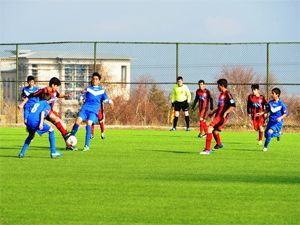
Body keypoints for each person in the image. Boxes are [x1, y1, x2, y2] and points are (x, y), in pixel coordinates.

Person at [28, 77, 74, 149]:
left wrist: (66, 95)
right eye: (56, 86)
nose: (56, 88)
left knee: (63, 125)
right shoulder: (44, 90)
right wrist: (26, 99)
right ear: (53, 85)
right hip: (43, 111)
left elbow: (58, 95)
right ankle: (66, 137)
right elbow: (34, 94)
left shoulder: (54, 92)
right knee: (56, 120)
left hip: (50, 111)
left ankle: (68, 144)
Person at [71, 72, 112, 151]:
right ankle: (69, 143)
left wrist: (110, 101)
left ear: (99, 81)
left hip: (93, 111)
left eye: (96, 79)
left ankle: (86, 146)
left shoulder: (102, 91)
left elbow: (106, 100)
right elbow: (82, 96)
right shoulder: (88, 89)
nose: (94, 80)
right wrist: (80, 98)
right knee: (77, 122)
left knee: (89, 123)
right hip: (85, 109)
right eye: (93, 79)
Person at [18, 94, 62, 158]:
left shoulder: (38, 103)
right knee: (51, 131)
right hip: (36, 121)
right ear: (49, 100)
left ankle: (21, 153)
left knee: (30, 136)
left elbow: (30, 110)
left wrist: (26, 121)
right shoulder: (47, 105)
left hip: (29, 120)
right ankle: (53, 152)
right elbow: (43, 113)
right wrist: (41, 123)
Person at [200, 78, 236, 155]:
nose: (217, 87)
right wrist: (213, 112)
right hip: (217, 115)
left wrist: (226, 113)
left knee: (209, 128)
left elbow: (233, 106)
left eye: (218, 85)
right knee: (214, 131)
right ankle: (219, 144)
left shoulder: (227, 94)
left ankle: (207, 150)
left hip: (221, 117)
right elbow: (220, 107)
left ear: (222, 85)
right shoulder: (221, 95)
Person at [263, 88, 288, 152]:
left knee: (269, 133)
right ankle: (278, 134)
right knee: (266, 135)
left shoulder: (281, 104)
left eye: (273, 93)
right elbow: (267, 110)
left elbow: (286, 113)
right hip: (270, 122)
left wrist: (280, 117)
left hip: (277, 123)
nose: (272, 94)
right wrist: (262, 113)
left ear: (277, 94)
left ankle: (265, 147)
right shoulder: (270, 102)